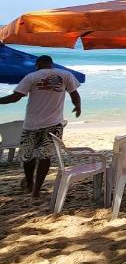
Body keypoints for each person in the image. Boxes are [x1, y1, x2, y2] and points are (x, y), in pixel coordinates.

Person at [0, 55, 81, 198]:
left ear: (37, 65)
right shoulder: (66, 75)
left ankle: (30, 185)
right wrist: (77, 106)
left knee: (28, 156)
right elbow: (74, 94)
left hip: (31, 124)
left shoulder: (31, 77)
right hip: (54, 124)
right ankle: (37, 190)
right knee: (45, 157)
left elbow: (15, 97)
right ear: (51, 64)